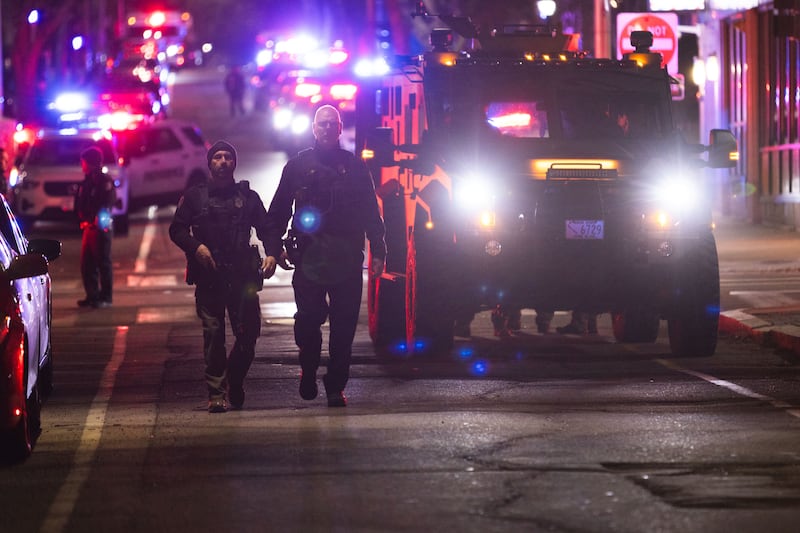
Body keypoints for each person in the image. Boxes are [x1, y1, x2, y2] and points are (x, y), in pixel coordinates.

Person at [263, 104, 386, 407]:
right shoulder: (297, 166)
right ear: (314, 129)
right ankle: (308, 369)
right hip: (310, 258)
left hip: (346, 257)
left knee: (344, 327)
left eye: (333, 124)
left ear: (341, 128)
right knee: (308, 320)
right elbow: (278, 212)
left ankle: (335, 386)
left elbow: (370, 212)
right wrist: (273, 248)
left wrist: (379, 249)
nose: (328, 128)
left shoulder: (355, 167)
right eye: (323, 124)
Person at [169, 140, 271, 413]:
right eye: (218, 157)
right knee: (214, 334)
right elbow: (177, 230)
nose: (223, 162)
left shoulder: (248, 198)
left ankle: (234, 379)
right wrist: (196, 247)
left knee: (248, 336)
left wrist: (273, 253)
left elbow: (266, 228)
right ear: (209, 163)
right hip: (210, 277)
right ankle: (216, 392)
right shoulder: (195, 197)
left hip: (242, 278)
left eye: (228, 157)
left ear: (234, 163)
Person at [75, 146, 116, 309]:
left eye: (84, 162)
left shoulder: (104, 181)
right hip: (89, 227)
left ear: (91, 163)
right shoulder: (87, 181)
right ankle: (92, 296)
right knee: (87, 264)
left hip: (100, 228)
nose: (82, 166)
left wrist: (101, 224)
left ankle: (106, 297)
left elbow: (107, 203)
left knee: (103, 262)